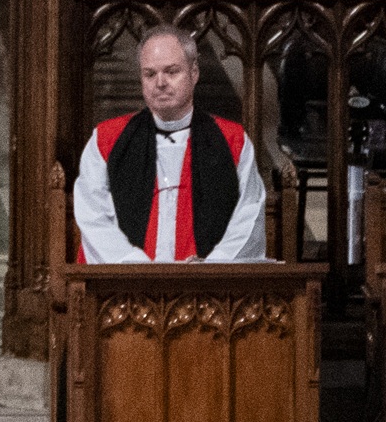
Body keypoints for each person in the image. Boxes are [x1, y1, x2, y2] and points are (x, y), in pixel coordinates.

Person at [73, 24, 266, 263]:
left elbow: (249, 215)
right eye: (150, 74)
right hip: (124, 287)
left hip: (207, 288)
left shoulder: (232, 140)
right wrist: (134, 265)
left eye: (172, 71)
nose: (160, 82)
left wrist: (214, 266)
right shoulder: (107, 139)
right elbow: (92, 216)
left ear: (194, 73)